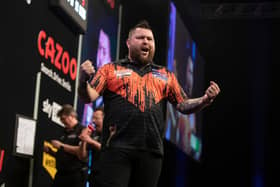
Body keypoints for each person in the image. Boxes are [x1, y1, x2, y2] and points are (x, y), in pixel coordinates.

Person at [78, 20, 220, 187]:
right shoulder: (110, 69)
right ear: (128, 43)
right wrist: (82, 79)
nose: (146, 41)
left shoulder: (166, 75)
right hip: (117, 149)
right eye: (140, 38)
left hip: (151, 151)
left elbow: (183, 105)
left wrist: (204, 100)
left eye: (150, 39)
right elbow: (88, 97)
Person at [44, 104, 87, 187]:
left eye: (63, 119)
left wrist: (61, 146)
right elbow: (63, 154)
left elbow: (81, 152)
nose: (62, 122)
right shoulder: (64, 131)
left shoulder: (83, 130)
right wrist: (51, 152)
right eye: (61, 120)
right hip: (61, 173)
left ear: (72, 116)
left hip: (75, 175)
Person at [78, 107, 104, 187]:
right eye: (93, 118)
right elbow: (82, 157)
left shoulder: (112, 132)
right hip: (94, 176)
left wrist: (91, 141)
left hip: (108, 175)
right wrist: (84, 140)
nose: (93, 121)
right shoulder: (94, 134)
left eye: (96, 118)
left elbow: (109, 151)